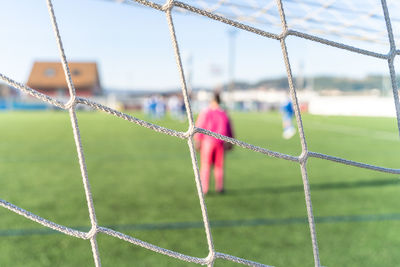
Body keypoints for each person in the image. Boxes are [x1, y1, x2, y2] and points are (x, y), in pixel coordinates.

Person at [194, 92, 234, 195]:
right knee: (219, 166)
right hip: (220, 142)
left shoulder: (206, 112)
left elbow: (200, 126)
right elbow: (228, 128)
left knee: (206, 165)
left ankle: (204, 188)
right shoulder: (224, 113)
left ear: (212, 101)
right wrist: (230, 141)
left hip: (208, 142)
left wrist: (198, 140)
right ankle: (219, 187)